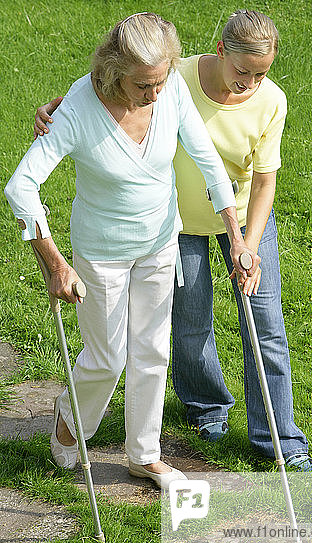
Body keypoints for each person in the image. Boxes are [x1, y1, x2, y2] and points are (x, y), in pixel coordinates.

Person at [34, 10, 312, 471]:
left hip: (208, 224)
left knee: (229, 333)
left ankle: (258, 443)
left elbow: (240, 170)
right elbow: (102, 97)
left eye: (260, 74)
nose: (249, 83)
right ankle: (191, 412)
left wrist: (242, 238)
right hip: (152, 230)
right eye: (242, 70)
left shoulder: (248, 97)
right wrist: (57, 108)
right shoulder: (173, 76)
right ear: (221, 51)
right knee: (153, 339)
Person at [5, 12, 257, 491]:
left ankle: (144, 454)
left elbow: (205, 157)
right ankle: (69, 421)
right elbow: (21, 187)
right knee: (106, 358)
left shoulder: (170, 89)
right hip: (101, 253)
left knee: (152, 351)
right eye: (144, 85)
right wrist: (54, 264)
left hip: (160, 242)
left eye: (161, 81)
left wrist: (237, 237)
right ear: (115, 71)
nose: (155, 94)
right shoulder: (77, 110)